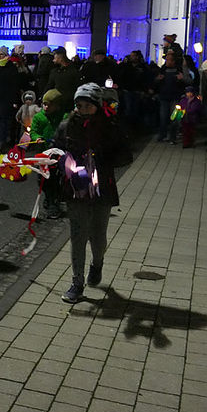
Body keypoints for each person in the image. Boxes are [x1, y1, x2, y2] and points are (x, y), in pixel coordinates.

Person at [53, 83, 131, 303]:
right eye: (79, 105)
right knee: (78, 235)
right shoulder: (67, 125)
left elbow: (125, 155)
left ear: (97, 105)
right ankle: (77, 282)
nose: (83, 109)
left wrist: (99, 160)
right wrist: (62, 163)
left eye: (87, 105)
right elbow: (56, 149)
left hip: (101, 189)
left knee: (97, 235)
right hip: (75, 188)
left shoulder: (110, 126)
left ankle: (97, 263)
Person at [29, 89, 66, 219]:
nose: (46, 107)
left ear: (57, 106)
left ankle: (53, 203)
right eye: (44, 104)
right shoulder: (39, 117)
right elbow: (33, 131)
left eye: (49, 105)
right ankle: (49, 197)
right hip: (43, 153)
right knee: (42, 179)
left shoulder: (63, 117)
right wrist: (37, 137)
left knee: (55, 178)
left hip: (58, 153)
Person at [153, 51, 187, 142]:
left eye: (169, 60)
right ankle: (162, 134)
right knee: (163, 117)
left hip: (175, 97)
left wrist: (181, 80)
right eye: (166, 60)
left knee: (174, 118)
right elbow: (155, 83)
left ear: (173, 61)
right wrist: (157, 80)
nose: (167, 62)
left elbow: (184, 84)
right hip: (164, 97)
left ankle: (172, 135)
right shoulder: (162, 70)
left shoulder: (178, 70)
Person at [45, 47, 80, 114]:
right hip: (67, 101)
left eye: (55, 58)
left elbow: (50, 85)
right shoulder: (73, 69)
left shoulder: (57, 72)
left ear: (60, 58)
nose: (53, 60)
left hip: (62, 101)